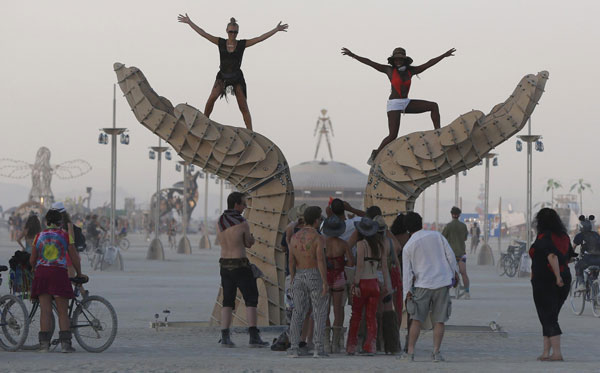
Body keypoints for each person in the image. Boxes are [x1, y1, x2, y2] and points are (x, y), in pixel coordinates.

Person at [341, 46, 455, 164]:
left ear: (404, 60)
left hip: (406, 102)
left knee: (433, 106)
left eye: (401, 59)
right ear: (393, 61)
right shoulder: (389, 70)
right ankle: (375, 154)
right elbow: (370, 63)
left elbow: (428, 63)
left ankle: (438, 133)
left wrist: (443, 55)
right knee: (393, 135)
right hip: (394, 104)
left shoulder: (411, 71)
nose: (398, 61)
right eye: (396, 59)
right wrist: (353, 55)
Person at [178, 14, 288, 130]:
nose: (233, 34)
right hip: (223, 76)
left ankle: (250, 131)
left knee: (243, 105)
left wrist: (276, 30)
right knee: (212, 97)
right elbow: (204, 34)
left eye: (235, 32)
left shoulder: (242, 44)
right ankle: (205, 120)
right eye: (231, 32)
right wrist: (189, 22)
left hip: (236, 77)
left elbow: (259, 38)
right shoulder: (220, 42)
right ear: (227, 31)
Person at [400, 212, 458, 362]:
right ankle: (436, 352)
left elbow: (407, 273)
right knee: (439, 320)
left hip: (422, 285)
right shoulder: (437, 236)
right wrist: (454, 274)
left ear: (407, 228)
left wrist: (406, 292)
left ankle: (410, 352)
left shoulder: (408, 246)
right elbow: (450, 256)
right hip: (442, 282)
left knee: (416, 320)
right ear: (421, 223)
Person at [216, 192, 269, 348]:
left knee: (227, 300)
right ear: (236, 205)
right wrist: (251, 239)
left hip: (224, 264)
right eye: (243, 204)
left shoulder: (220, 221)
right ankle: (253, 336)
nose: (245, 207)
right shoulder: (242, 222)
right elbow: (247, 243)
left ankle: (225, 336)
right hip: (240, 264)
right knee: (251, 298)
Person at [29, 208, 85, 352]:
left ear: (46, 222)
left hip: (42, 274)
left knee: (45, 311)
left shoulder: (39, 236)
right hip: (59, 274)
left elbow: (32, 259)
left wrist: (34, 268)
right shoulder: (65, 236)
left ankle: (44, 345)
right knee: (62, 312)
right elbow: (74, 257)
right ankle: (65, 345)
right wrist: (79, 273)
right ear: (60, 222)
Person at [529, 208, 576, 361]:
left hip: (546, 281)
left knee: (548, 316)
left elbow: (552, 256)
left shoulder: (544, 237)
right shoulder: (564, 236)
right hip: (564, 278)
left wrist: (557, 277)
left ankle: (556, 353)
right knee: (549, 316)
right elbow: (569, 258)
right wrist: (561, 276)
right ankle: (545, 352)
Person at [288, 206, 329, 358]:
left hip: (298, 274)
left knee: (297, 312)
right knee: (319, 311)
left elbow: (291, 261)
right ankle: (318, 348)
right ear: (317, 220)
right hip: (314, 274)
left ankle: (293, 347)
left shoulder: (294, 238)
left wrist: (292, 278)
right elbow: (320, 260)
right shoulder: (318, 238)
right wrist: (325, 282)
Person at [346, 217, 391, 355]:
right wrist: (387, 286)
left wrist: (356, 283)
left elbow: (359, 266)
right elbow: (384, 268)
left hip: (363, 282)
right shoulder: (380, 245)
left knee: (356, 316)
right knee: (372, 316)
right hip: (375, 284)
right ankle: (370, 346)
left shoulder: (361, 245)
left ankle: (351, 346)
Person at [322, 215, 354, 353]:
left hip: (325, 276)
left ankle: (326, 343)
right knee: (338, 309)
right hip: (339, 276)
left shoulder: (323, 242)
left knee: (325, 310)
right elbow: (351, 262)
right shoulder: (344, 244)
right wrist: (341, 263)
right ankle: (335, 343)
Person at [442, 207, 470, 299]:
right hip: (462, 253)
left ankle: (445, 293)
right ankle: (467, 292)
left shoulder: (448, 226)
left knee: (447, 273)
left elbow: (443, 238)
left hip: (451, 254)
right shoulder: (463, 226)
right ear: (459, 215)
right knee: (464, 273)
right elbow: (465, 238)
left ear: (451, 214)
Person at [572, 215, 600, 291]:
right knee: (593, 276)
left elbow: (572, 249)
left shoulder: (579, 235)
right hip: (599, 260)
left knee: (578, 267)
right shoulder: (596, 234)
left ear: (581, 226)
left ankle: (581, 284)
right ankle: (595, 294)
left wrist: (570, 257)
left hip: (588, 260)